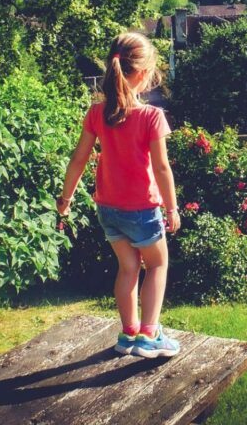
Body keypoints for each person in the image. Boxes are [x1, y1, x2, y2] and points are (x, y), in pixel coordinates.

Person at [57, 31, 182, 358]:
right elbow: (162, 168)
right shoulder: (151, 116)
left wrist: (66, 199)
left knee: (128, 268)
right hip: (142, 209)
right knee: (157, 265)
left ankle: (128, 335)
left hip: (108, 209)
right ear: (142, 74)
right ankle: (149, 335)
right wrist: (172, 209)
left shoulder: (97, 113)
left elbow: (78, 158)